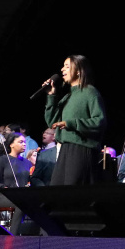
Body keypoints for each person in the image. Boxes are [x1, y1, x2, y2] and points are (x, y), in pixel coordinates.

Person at [43, 55, 106, 186]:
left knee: (73, 189)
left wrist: (71, 123)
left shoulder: (89, 92)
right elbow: (52, 122)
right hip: (65, 148)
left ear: (78, 71)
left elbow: (99, 121)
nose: (62, 69)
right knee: (56, 188)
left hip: (82, 148)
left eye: (67, 66)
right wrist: (51, 96)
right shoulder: (68, 96)